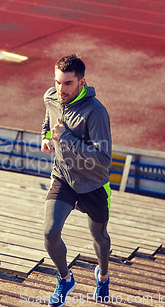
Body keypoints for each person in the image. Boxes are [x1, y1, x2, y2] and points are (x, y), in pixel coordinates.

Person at [41, 54, 112, 306]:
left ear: (82, 82)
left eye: (68, 83)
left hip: (93, 185)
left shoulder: (96, 112)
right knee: (50, 233)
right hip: (63, 177)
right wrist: (46, 136)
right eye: (58, 82)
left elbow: (103, 158)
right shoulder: (52, 96)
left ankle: (102, 276)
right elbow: (49, 117)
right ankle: (65, 278)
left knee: (99, 238)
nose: (61, 89)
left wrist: (64, 138)